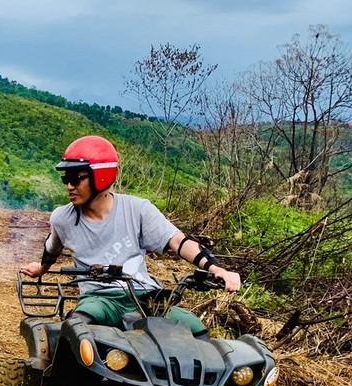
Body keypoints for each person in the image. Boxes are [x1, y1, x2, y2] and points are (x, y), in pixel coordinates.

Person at [20, 135, 241, 335]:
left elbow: (178, 241)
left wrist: (217, 269)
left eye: (76, 179)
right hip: (99, 299)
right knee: (77, 327)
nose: (69, 186)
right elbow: (51, 249)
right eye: (65, 179)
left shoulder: (137, 209)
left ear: (100, 177)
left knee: (195, 331)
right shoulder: (62, 218)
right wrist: (41, 269)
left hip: (145, 297)